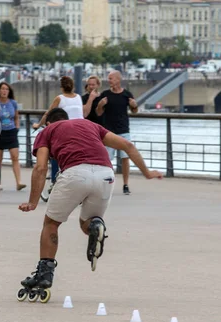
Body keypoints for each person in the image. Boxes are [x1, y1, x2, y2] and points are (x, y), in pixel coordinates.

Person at [18, 108, 163, 289]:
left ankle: (44, 275)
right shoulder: (89, 125)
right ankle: (96, 226)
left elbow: (40, 168)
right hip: (105, 174)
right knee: (87, 223)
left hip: (74, 173)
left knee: (51, 224)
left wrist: (33, 202)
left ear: (49, 122)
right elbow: (128, 145)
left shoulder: (46, 131)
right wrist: (147, 173)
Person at [33, 76, 84, 199]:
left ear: (61, 87)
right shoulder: (78, 97)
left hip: (65, 130)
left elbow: (49, 114)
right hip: (80, 131)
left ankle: (54, 181)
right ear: (73, 87)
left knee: (55, 152)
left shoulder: (59, 98)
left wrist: (38, 125)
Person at [96, 70, 139, 195]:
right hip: (109, 132)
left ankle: (125, 184)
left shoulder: (126, 94)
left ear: (118, 79)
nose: (109, 80)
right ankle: (107, 183)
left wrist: (134, 105)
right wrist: (100, 105)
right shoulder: (105, 95)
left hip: (124, 130)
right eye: (108, 78)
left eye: (111, 78)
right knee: (107, 160)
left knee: (125, 158)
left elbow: (134, 111)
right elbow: (99, 113)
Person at [0, 82, 25, 191]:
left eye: (7, 89)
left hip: (11, 132)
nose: (5, 91)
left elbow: (16, 117)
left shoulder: (13, 103)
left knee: (15, 157)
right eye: (2, 89)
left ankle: (19, 182)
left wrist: (17, 128)